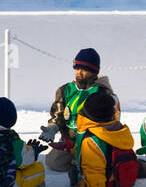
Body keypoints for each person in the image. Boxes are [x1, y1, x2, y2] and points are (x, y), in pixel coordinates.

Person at [41, 48, 118, 179]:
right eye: (77, 68)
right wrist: (53, 127)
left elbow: (109, 122)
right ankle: (76, 159)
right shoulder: (66, 90)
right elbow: (58, 113)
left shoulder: (102, 93)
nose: (79, 72)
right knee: (53, 163)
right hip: (69, 141)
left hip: (92, 142)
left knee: (95, 166)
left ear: (94, 71)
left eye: (84, 69)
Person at [72, 92, 138, 187]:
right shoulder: (115, 128)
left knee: (73, 173)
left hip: (106, 186)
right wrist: (71, 146)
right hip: (118, 179)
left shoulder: (91, 139)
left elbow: (94, 168)